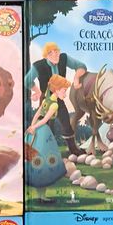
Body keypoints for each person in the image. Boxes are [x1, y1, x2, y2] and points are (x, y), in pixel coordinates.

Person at [25, 42, 87, 155]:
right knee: (47, 125)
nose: (54, 54)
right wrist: (37, 91)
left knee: (65, 121)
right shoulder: (38, 66)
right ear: (45, 55)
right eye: (50, 52)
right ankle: (44, 151)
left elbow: (81, 66)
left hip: (58, 96)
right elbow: (27, 80)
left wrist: (76, 78)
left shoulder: (64, 58)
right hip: (46, 98)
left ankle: (73, 149)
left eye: (56, 51)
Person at [25, 74, 71, 202]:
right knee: (43, 158)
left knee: (37, 158)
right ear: (56, 90)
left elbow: (37, 113)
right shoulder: (54, 104)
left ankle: (40, 195)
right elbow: (44, 119)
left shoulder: (46, 99)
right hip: (42, 131)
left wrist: (32, 126)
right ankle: (41, 195)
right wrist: (33, 127)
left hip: (36, 128)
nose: (65, 94)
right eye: (64, 91)